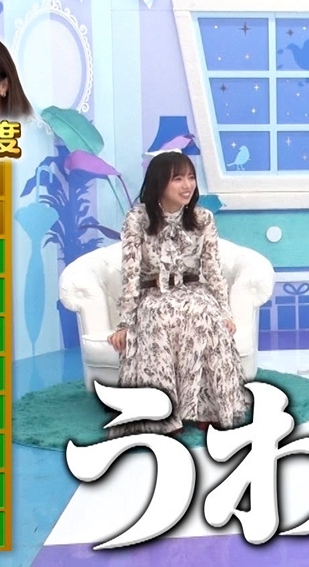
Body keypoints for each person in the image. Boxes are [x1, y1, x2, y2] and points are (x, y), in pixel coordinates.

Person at [106, 152, 249, 437]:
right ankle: (163, 414)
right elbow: (131, 273)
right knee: (158, 316)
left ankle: (207, 408)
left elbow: (213, 269)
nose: (188, 185)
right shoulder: (137, 218)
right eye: (178, 179)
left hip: (194, 290)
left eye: (191, 177)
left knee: (204, 313)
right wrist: (125, 323)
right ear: (160, 183)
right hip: (153, 293)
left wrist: (225, 312)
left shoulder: (203, 218)